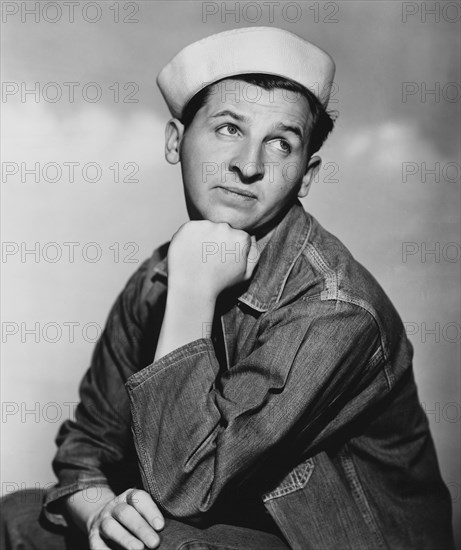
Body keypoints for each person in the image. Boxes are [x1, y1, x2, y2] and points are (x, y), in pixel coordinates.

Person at [1, 26, 455, 550]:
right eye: (227, 129)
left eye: (280, 143)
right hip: (215, 527)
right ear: (175, 141)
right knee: (19, 515)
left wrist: (192, 288)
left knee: (168, 543)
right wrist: (101, 511)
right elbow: (87, 444)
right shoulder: (153, 281)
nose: (248, 165)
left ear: (306, 176)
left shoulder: (335, 311)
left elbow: (183, 486)